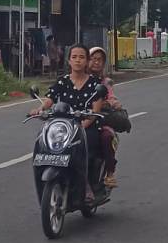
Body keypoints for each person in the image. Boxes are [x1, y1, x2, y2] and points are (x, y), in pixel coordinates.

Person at [30, 44, 103, 203]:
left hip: (85, 127)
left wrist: (81, 126)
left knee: (85, 145)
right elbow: (50, 98)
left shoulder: (94, 83)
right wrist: (40, 108)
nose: (78, 60)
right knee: (42, 141)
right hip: (62, 128)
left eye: (81, 57)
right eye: (74, 57)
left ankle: (87, 185)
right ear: (69, 61)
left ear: (87, 61)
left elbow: (95, 109)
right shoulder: (62, 81)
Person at [89, 47, 122, 189]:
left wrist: (111, 103)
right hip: (79, 120)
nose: (96, 62)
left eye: (99, 60)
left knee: (107, 136)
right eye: (93, 59)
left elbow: (111, 98)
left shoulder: (105, 82)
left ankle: (109, 173)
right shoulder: (78, 78)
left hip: (99, 120)